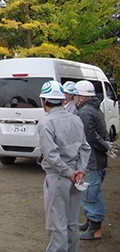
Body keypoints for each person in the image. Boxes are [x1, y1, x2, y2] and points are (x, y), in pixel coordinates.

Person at [37, 81, 91, 251]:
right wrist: (79, 171)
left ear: (43, 100)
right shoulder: (76, 119)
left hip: (58, 177)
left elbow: (51, 156)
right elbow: (85, 147)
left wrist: (69, 173)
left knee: (57, 224)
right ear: (63, 99)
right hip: (77, 178)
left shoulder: (46, 123)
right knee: (72, 222)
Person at [74, 80, 111, 240]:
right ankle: (90, 222)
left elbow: (89, 137)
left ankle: (95, 229)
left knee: (91, 194)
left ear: (82, 97)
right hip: (98, 159)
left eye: (75, 95)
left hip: (92, 160)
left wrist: (103, 146)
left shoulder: (85, 112)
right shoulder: (95, 109)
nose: (73, 98)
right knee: (92, 192)